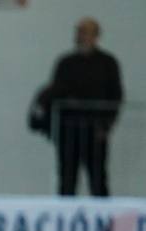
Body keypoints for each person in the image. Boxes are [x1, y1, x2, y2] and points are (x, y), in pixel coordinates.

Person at [47, 17, 123, 197]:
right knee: (67, 178)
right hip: (69, 130)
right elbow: (55, 92)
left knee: (98, 178)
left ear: (96, 36)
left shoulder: (107, 63)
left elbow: (115, 96)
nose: (80, 37)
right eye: (79, 32)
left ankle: (103, 220)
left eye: (85, 33)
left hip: (96, 130)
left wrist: (107, 126)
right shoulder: (66, 63)